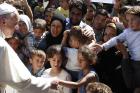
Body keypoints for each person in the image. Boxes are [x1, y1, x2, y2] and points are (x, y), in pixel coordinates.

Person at [0, 3, 57, 93]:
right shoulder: (2, 46)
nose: (17, 28)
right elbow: (23, 83)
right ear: (3, 22)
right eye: (15, 24)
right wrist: (49, 83)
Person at [91, 6, 140, 93]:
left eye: (133, 19)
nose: (130, 23)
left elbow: (129, 84)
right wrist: (103, 47)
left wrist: (124, 54)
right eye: (105, 34)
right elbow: (115, 40)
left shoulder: (123, 55)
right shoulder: (127, 32)